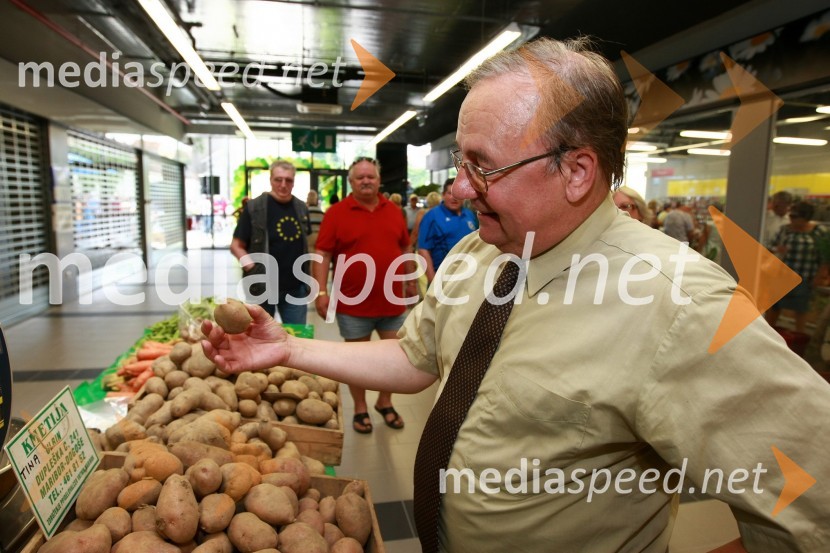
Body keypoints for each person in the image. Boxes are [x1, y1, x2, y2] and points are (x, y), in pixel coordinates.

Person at [203, 37, 830, 553]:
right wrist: (288, 349)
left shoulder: (678, 303)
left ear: (576, 171)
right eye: (462, 163)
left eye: (484, 166)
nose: (460, 188)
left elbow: (812, 496)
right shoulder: (478, 252)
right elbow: (414, 358)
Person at [312, 157, 416, 434]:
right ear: (351, 182)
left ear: (379, 180)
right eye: (360, 177)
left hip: (392, 302)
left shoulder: (393, 211)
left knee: (396, 358)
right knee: (356, 363)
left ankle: (384, 401)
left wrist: (411, 280)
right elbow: (322, 253)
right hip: (352, 304)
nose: (366, 181)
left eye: (371, 176)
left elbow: (405, 248)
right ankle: (360, 407)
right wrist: (320, 291)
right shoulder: (336, 213)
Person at [230, 160, 312, 324]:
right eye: (278, 179)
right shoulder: (254, 207)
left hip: (295, 288)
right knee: (261, 335)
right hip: (261, 287)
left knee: (297, 336)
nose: (283, 185)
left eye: (288, 180)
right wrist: (252, 268)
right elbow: (236, 246)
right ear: (271, 180)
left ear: (293, 182)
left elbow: (306, 244)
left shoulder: (301, 208)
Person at [765, 201, 829, 334]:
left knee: (800, 309)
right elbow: (770, 247)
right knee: (774, 307)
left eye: (795, 216)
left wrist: (820, 276)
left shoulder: (819, 231)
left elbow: (824, 256)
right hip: (781, 276)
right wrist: (777, 249)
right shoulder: (785, 230)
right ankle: (769, 334)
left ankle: (799, 337)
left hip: (805, 277)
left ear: (806, 217)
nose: (791, 219)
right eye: (791, 216)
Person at [418, 180, 479, 283]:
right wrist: (433, 281)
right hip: (443, 278)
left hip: (470, 278)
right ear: (443, 195)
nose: (454, 197)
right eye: (450, 193)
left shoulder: (469, 215)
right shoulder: (432, 216)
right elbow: (423, 250)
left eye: (458, 194)